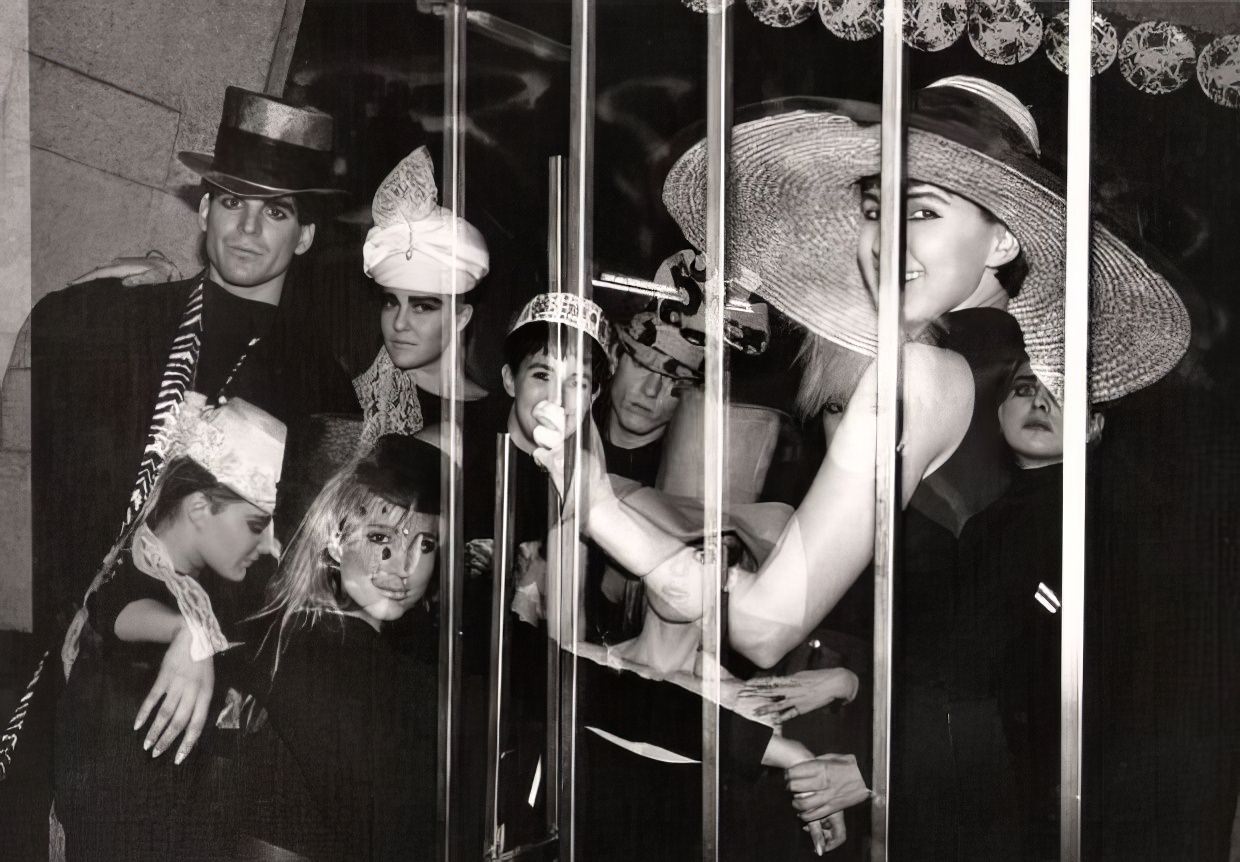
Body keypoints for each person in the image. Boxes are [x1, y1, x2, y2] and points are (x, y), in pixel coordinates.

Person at [53, 394, 286, 861]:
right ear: (200, 508)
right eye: (257, 525)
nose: (271, 546)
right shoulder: (139, 589)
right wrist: (188, 634)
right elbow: (119, 616)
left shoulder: (194, 582)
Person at [236, 434, 444, 861]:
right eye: (380, 538)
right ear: (335, 539)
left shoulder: (326, 641)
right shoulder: (316, 650)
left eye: (425, 545)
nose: (403, 567)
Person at [354, 145, 500, 454]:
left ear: (462, 317)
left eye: (422, 306)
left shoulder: (498, 419)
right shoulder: (357, 398)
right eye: (391, 302)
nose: (399, 323)